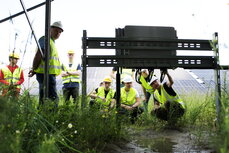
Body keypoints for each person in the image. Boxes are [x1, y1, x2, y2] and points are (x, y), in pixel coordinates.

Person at [28, 21, 63, 106]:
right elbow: (39, 55)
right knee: (53, 98)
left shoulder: (52, 41)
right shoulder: (45, 39)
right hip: (46, 74)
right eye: (56, 30)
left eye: (60, 32)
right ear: (50, 29)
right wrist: (34, 69)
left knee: (44, 97)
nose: (58, 33)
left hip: (48, 74)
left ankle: (42, 116)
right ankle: (51, 117)